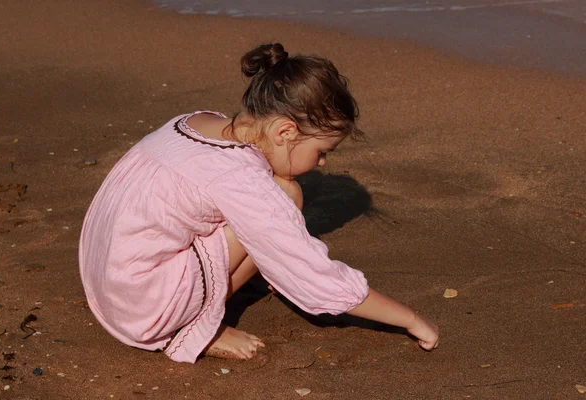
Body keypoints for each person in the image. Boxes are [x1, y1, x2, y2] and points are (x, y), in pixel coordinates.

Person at [79, 43, 439, 363]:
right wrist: (410, 319)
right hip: (144, 306)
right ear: (286, 132)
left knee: (270, 201)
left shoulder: (196, 121)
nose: (323, 163)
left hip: (106, 273)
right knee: (284, 197)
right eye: (322, 152)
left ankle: (213, 288)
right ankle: (196, 329)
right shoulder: (242, 181)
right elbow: (314, 275)